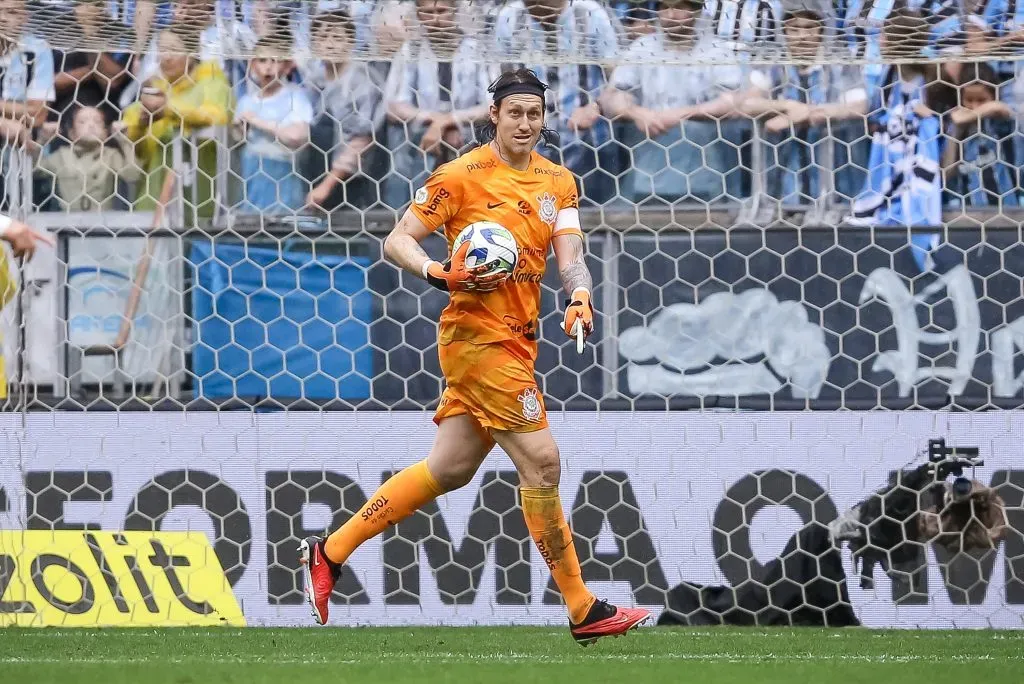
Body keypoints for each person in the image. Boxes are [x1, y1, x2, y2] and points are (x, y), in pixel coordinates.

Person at [299, 69, 650, 645]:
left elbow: (572, 254)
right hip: (474, 340)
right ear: (495, 115)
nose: (526, 123)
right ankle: (583, 607)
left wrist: (581, 294)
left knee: (450, 469)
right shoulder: (459, 175)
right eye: (515, 112)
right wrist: (437, 271)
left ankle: (330, 552)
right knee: (542, 463)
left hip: (518, 340)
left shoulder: (558, 181)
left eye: (535, 114)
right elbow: (398, 240)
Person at [383, 0, 494, 209]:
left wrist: (451, 121)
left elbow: (492, 104)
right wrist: (436, 121)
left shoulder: (477, 50)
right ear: (418, 14)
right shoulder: (412, 50)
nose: (434, 19)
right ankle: (401, 216)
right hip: (421, 140)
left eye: (441, 11)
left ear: (454, 11)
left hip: (471, 137)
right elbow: (394, 105)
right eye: (427, 12)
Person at [120, 27, 233, 219]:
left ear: (192, 52)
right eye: (162, 49)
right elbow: (139, 151)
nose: (167, 57)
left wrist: (168, 110)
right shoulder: (152, 92)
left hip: (200, 198)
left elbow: (217, 117)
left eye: (174, 49)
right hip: (154, 199)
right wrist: (141, 124)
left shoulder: (212, 83)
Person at [234, 39, 312, 214]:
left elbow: (297, 136)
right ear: (252, 65)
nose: (268, 67)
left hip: (281, 172)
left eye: (275, 60)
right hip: (251, 174)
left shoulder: (295, 96)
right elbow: (238, 140)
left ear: (286, 66)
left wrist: (257, 121)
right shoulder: (246, 101)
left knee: (282, 223)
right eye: (262, 60)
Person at [941, 61, 1018, 209]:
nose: (975, 106)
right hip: (968, 215)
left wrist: (969, 115)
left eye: (981, 100)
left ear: (995, 95)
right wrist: (956, 131)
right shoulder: (958, 130)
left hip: (1007, 213)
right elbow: (947, 173)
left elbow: (1000, 108)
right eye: (969, 100)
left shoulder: (998, 124)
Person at [35, 105, 141, 211]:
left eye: (97, 122)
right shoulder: (61, 155)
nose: (91, 125)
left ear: (105, 132)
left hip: (103, 221)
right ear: (72, 133)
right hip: (67, 221)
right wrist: (42, 140)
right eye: (82, 122)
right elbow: (34, 171)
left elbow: (133, 174)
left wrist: (124, 141)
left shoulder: (110, 155)